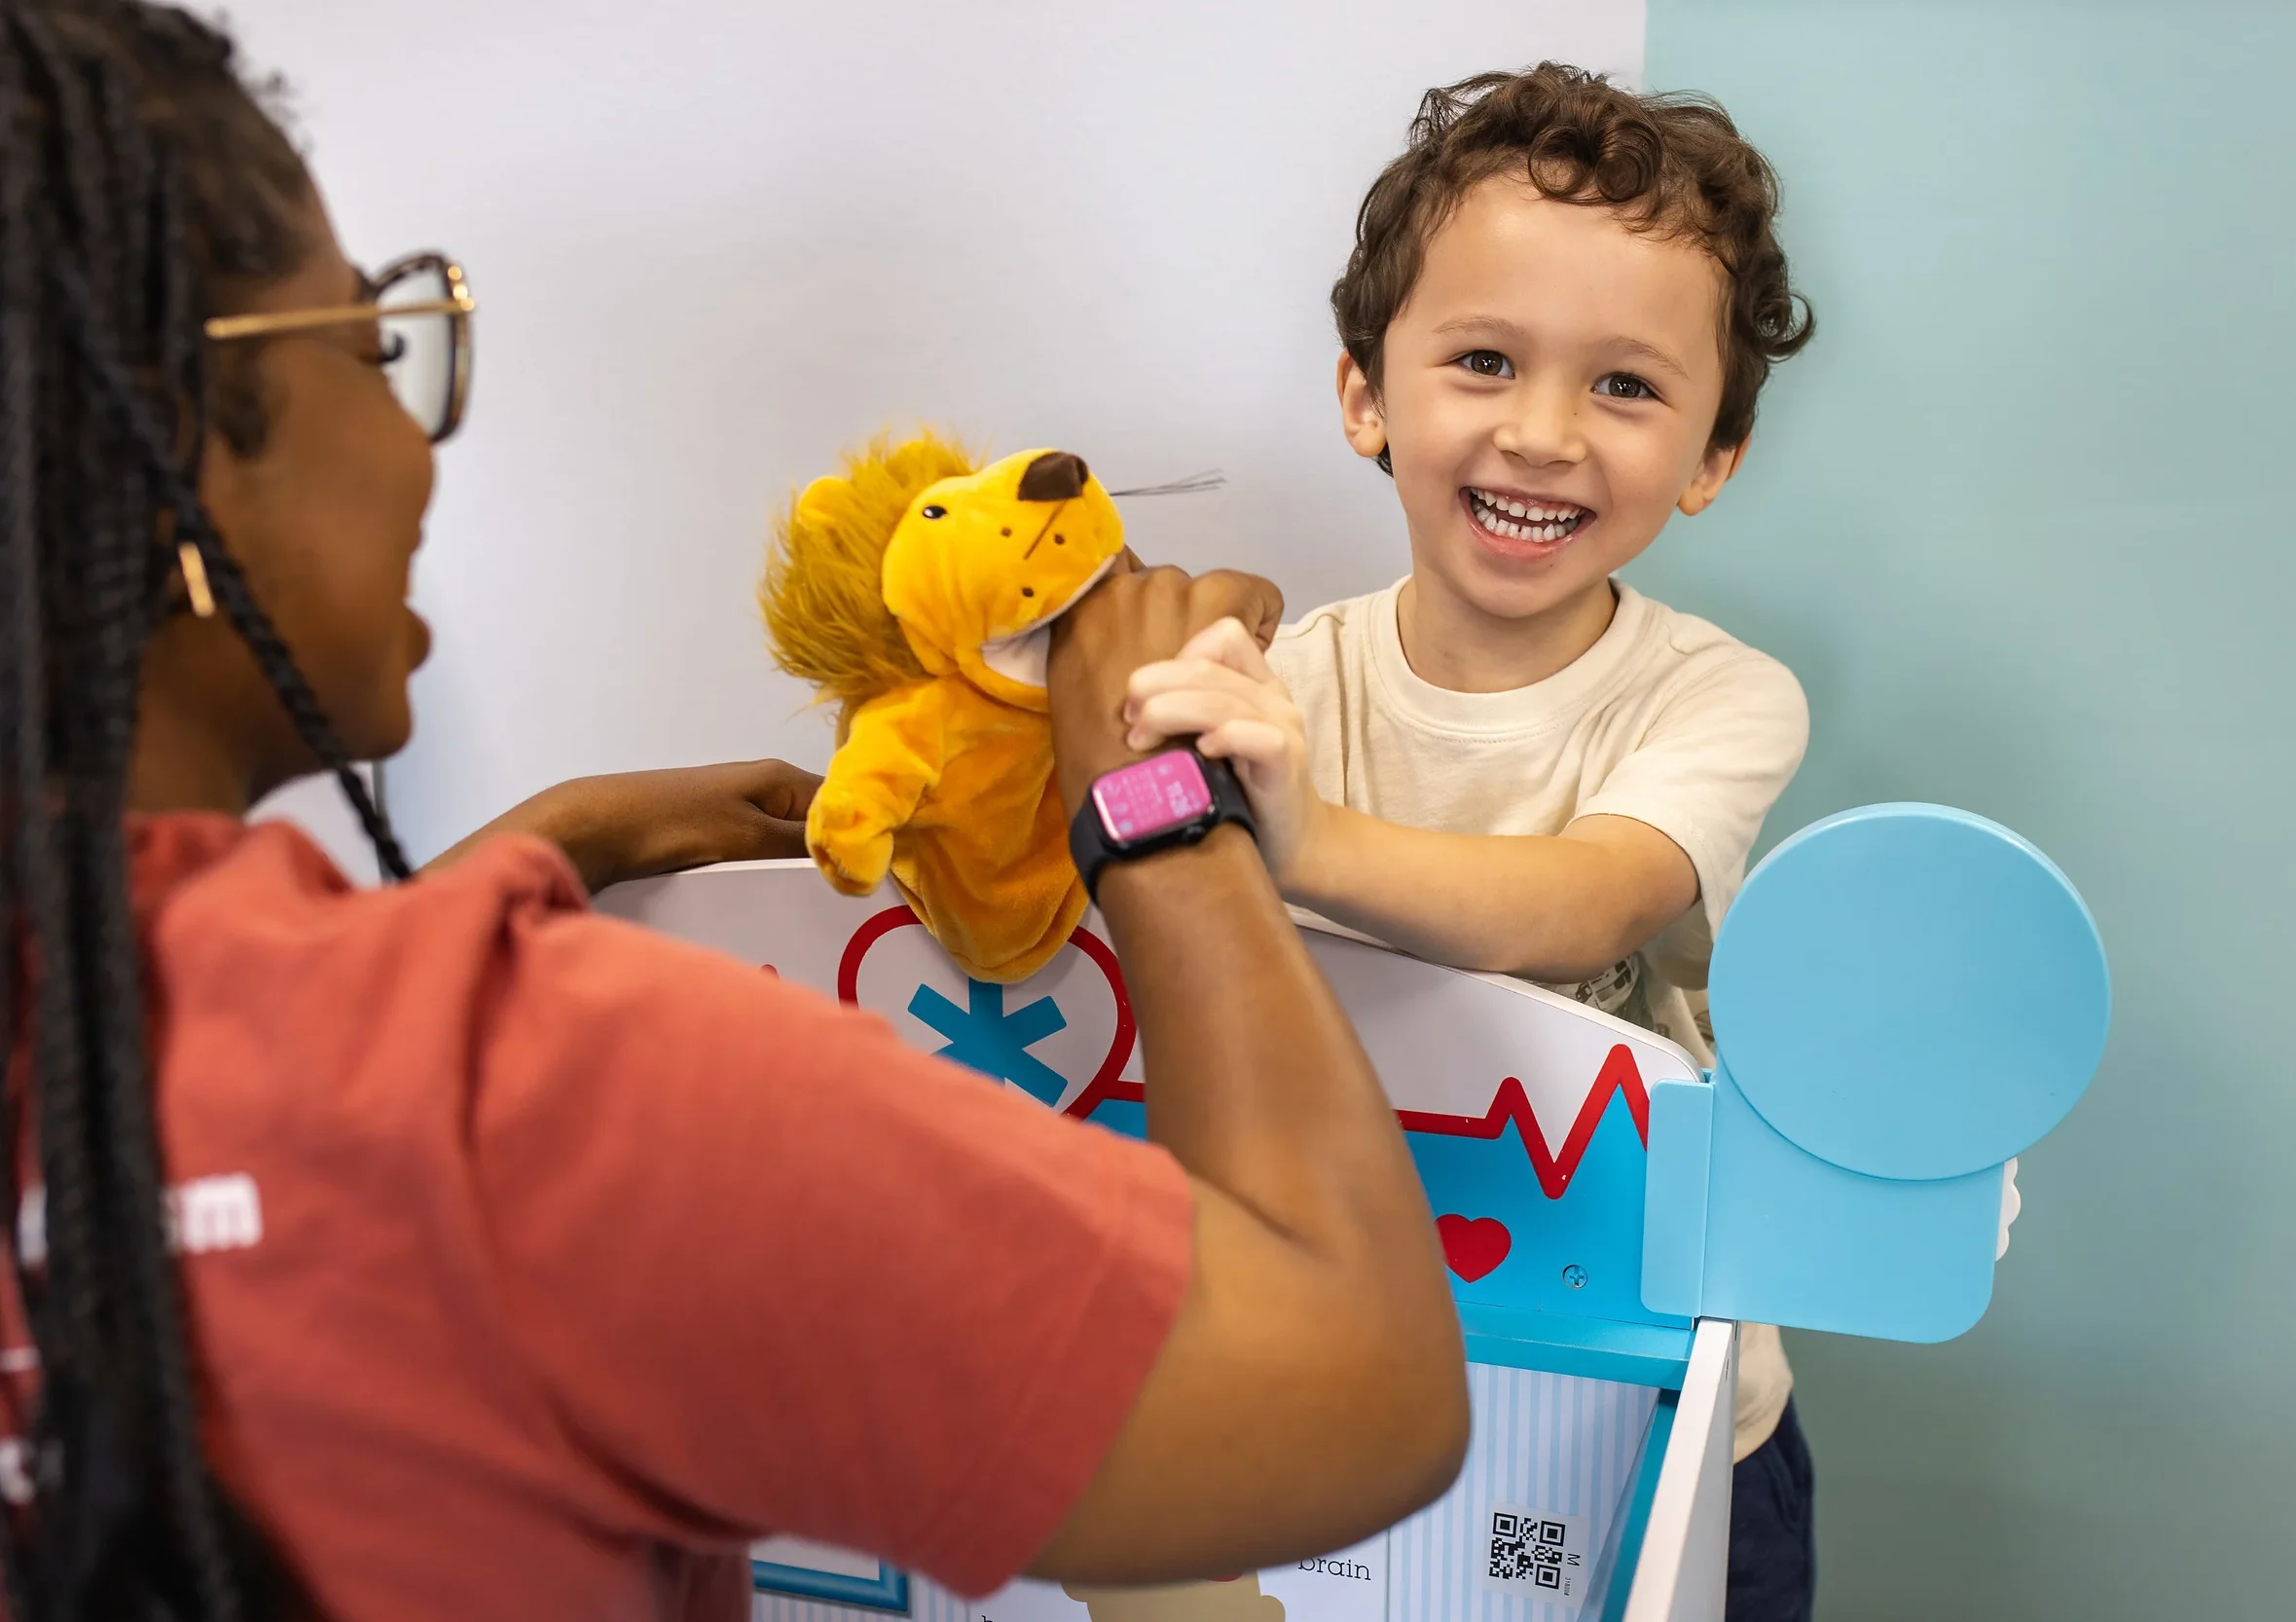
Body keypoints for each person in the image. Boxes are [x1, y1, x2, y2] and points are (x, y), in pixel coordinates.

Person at [0, 4, 1469, 1619]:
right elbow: (1356, 1387)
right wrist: (1152, 794)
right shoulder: (563, 1098)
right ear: (164, 452)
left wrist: (556, 843)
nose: (423, 445)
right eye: (375, 342)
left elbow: (235, 1102)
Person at [1115, 66, 1819, 1620]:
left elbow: (1590, 902)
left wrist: (1300, 838)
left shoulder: (1719, 699)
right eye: (1485, 359)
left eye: (1628, 387)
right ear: (1367, 392)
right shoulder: (1286, 687)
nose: (1546, 432)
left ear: (1714, 455)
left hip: (1649, 1392)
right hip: (1344, 1355)